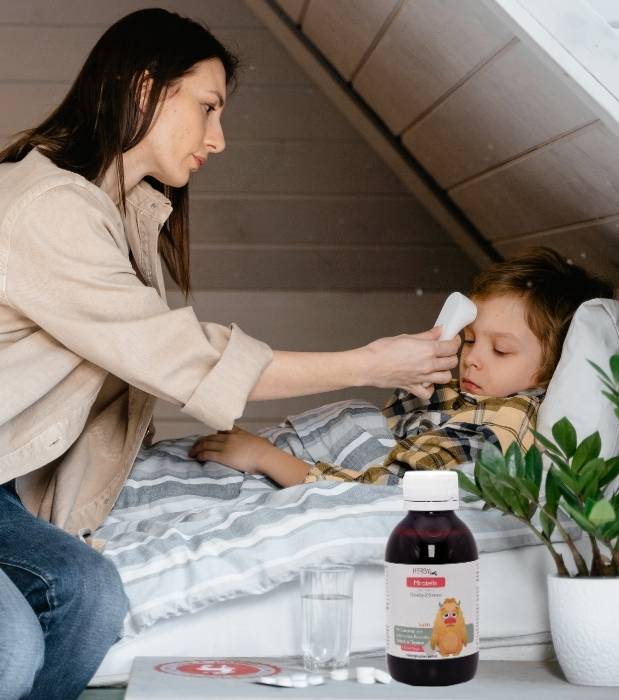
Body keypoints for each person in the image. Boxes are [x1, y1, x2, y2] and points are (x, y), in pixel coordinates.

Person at [0, 9, 459, 700]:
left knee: (90, 597)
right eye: (208, 108)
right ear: (146, 89)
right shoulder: (49, 210)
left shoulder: (124, 215)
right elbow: (183, 357)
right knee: (11, 646)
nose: (219, 139)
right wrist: (371, 363)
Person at [189, 248, 614, 486]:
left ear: (549, 369)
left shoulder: (502, 424)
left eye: (501, 350)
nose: (474, 357)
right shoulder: (462, 392)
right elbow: (385, 429)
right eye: (469, 339)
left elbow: (388, 492)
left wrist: (266, 458)